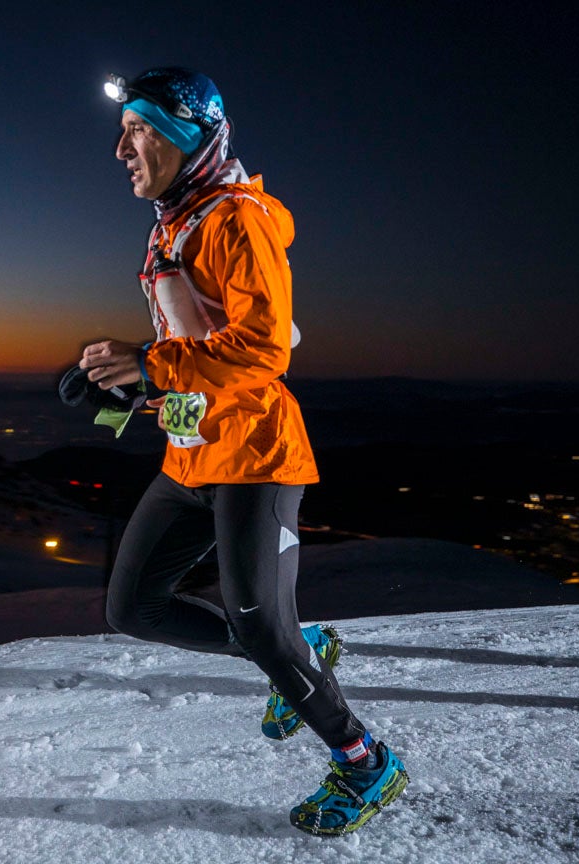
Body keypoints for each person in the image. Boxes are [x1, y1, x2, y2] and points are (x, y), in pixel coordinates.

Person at [78, 67, 408, 835]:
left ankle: (366, 762)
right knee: (134, 608)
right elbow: (198, 341)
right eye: (124, 130)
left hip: (256, 455)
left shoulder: (236, 218)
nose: (122, 147)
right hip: (193, 454)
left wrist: (151, 362)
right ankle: (301, 649)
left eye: (139, 130)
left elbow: (262, 349)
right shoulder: (177, 219)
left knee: (260, 625)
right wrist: (124, 389)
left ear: (188, 135)